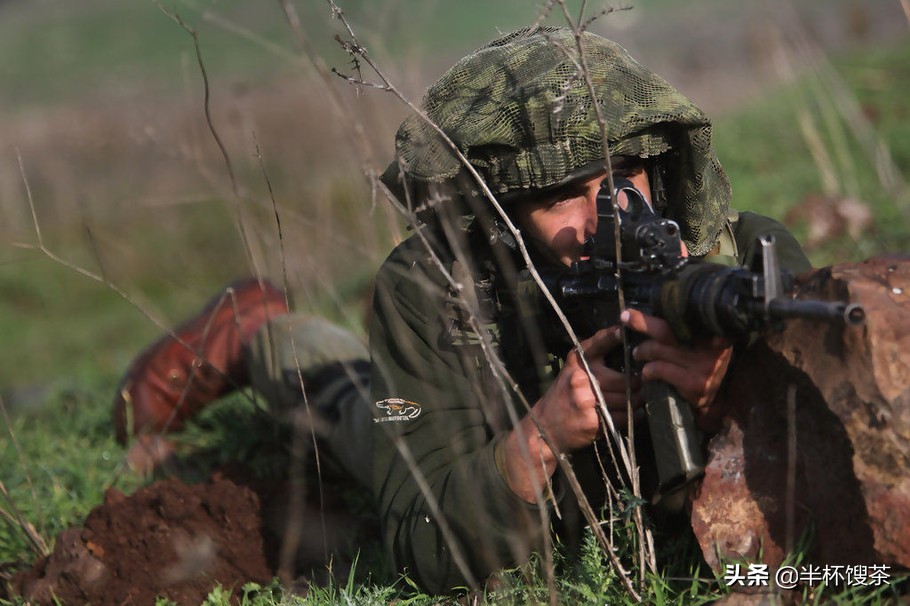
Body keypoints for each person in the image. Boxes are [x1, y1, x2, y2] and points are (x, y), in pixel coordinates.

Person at [113, 27, 811, 594]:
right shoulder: (432, 298)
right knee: (353, 410)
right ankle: (257, 332)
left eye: (624, 175)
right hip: (479, 414)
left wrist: (730, 393)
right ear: (500, 219)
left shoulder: (748, 261)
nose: (607, 215)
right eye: (560, 195)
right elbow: (423, 541)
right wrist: (539, 436)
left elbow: (837, 459)